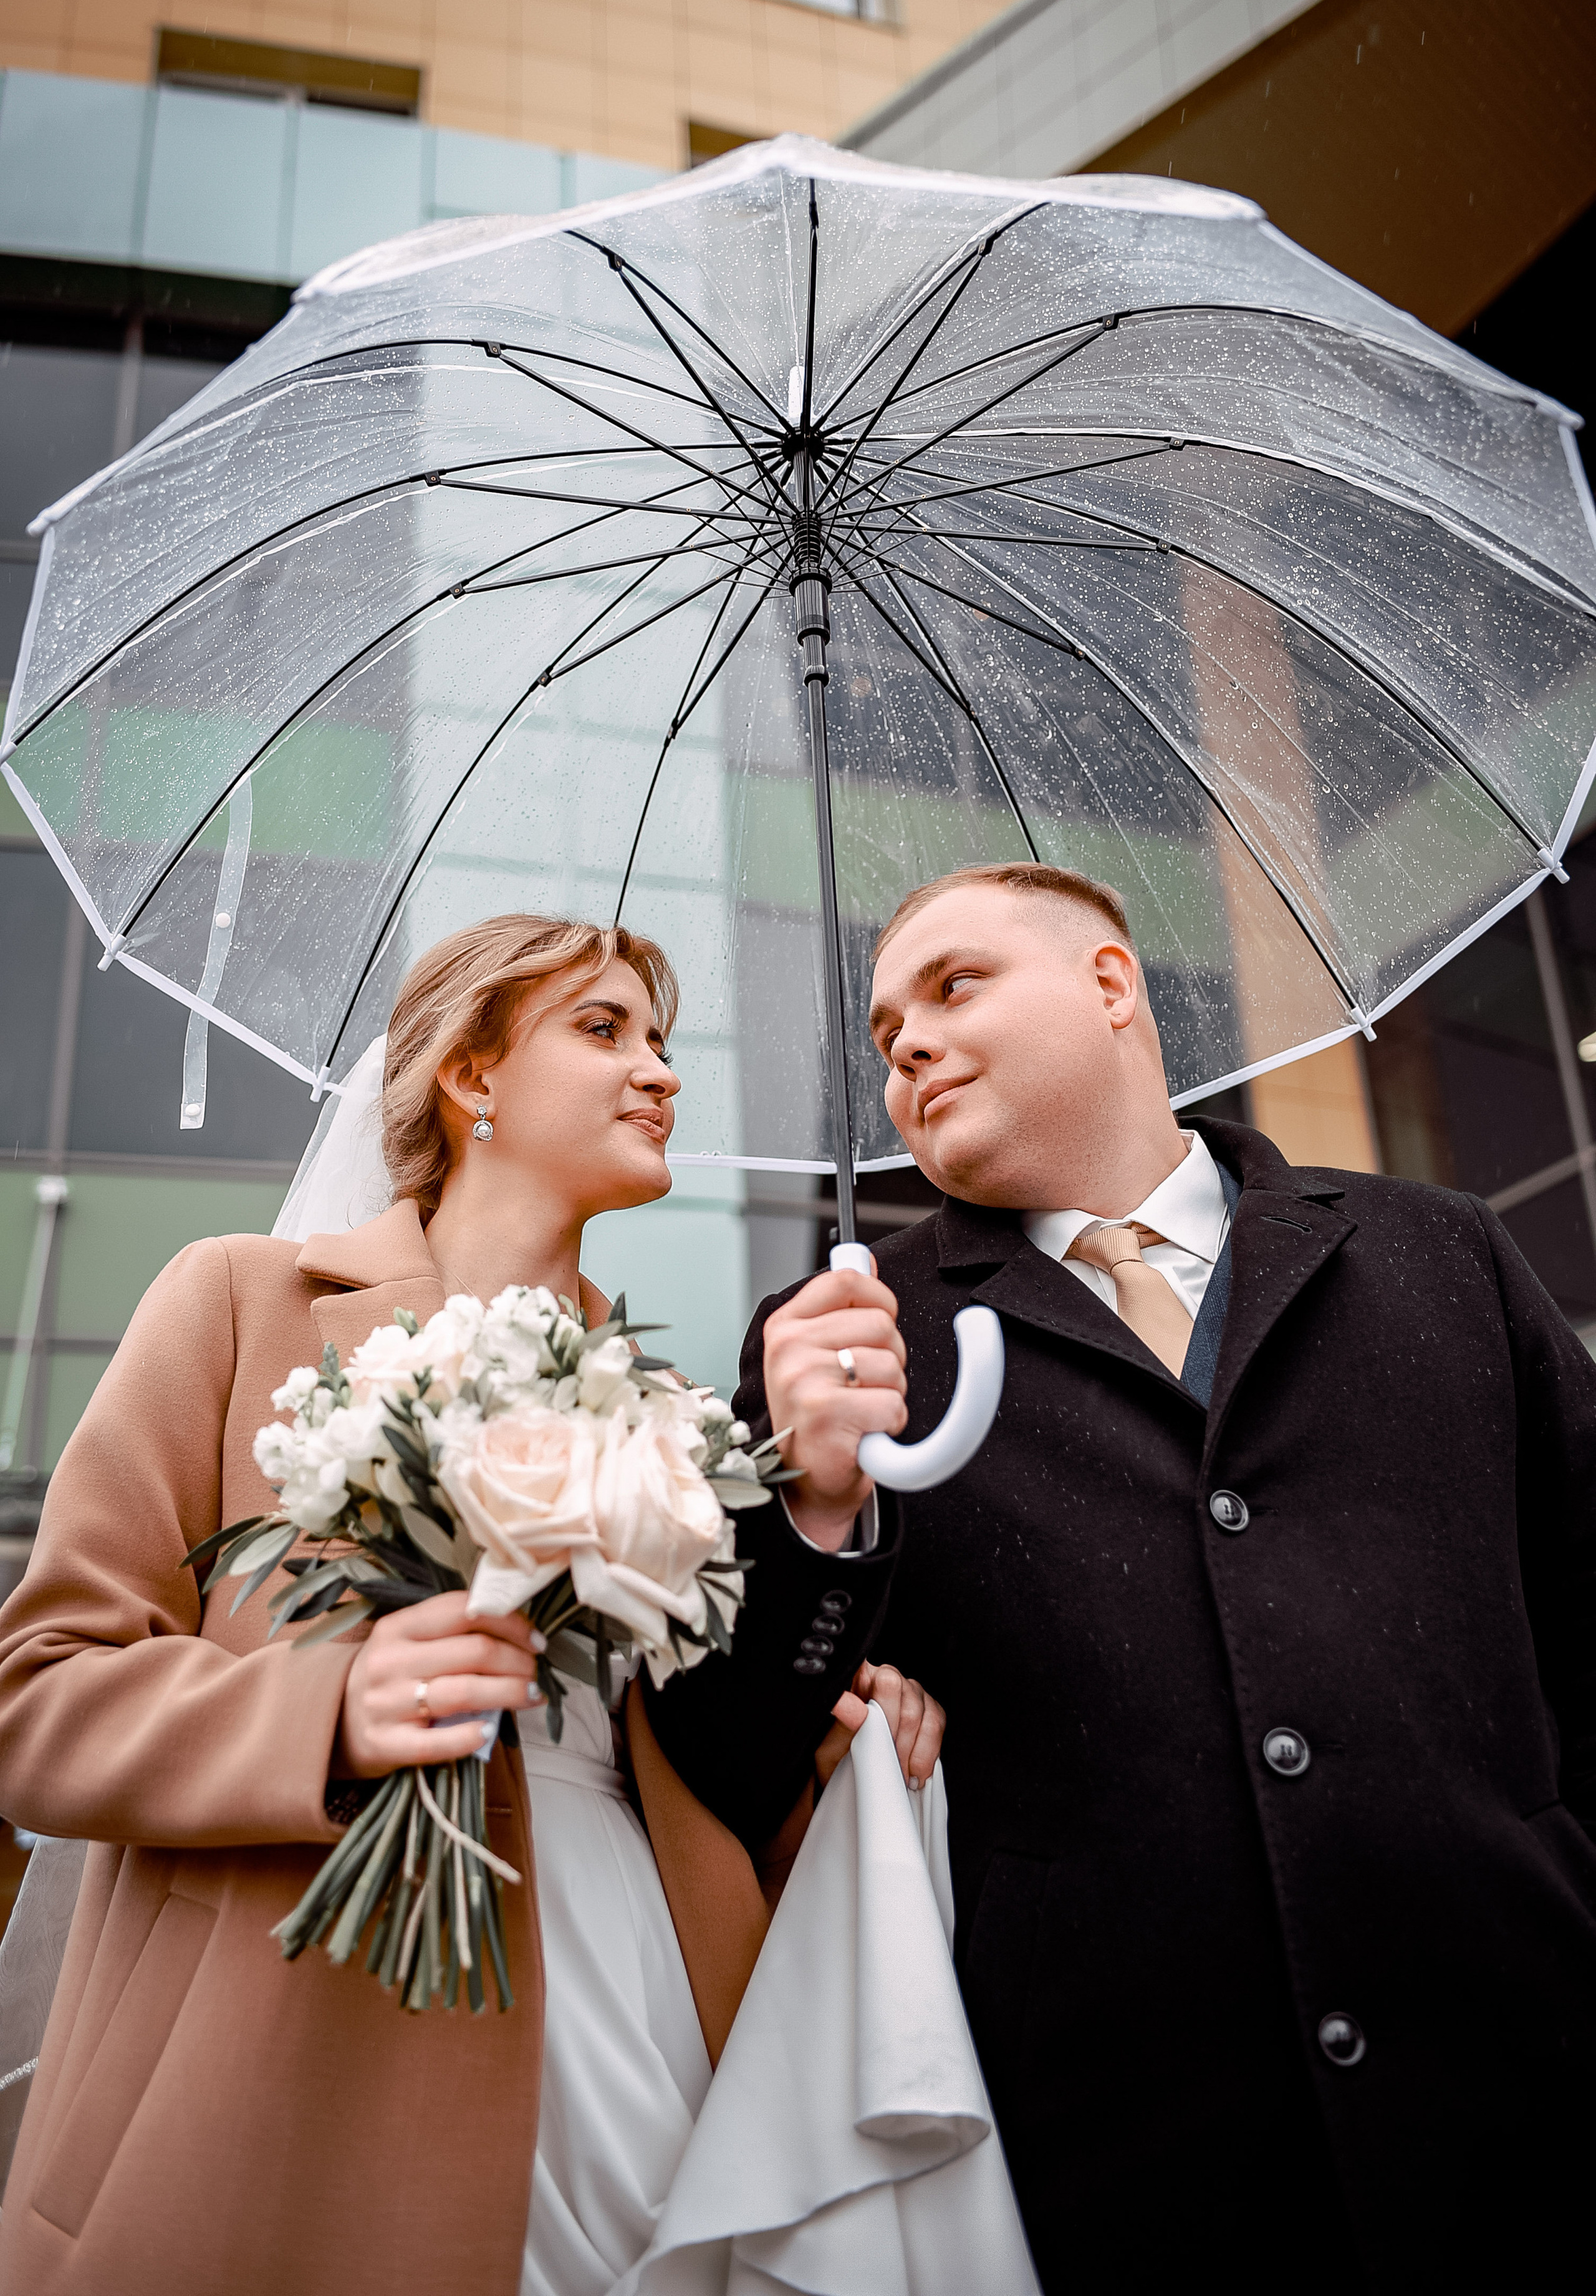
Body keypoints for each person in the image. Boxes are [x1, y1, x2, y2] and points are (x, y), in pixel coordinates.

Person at [643, 860, 1596, 2290]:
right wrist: (812, 1511)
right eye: (883, 1026)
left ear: (1109, 988)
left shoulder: (1437, 1251)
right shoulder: (839, 1343)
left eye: (954, 986)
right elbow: (720, 1758)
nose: (901, 1040)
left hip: (1533, 2086)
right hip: (1117, 2164)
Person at [0, 914, 970, 2296]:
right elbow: (39, 1693)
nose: (658, 1073)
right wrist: (330, 1708)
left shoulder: (680, 1414)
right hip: (291, 2036)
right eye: (603, 1029)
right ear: (471, 1078)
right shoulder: (236, 1301)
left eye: (664, 1043)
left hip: (635, 2003)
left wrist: (845, 1720)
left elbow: (713, 1752)